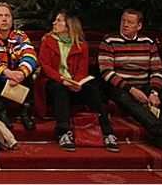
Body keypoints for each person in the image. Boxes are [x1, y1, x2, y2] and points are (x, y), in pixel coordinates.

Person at [99, 9, 162, 153]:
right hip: (121, 87)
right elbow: (106, 72)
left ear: (139, 26)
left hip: (144, 85)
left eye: (130, 22)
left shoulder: (148, 42)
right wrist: (131, 89)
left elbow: (158, 70)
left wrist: (154, 92)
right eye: (123, 21)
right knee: (126, 97)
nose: (125, 25)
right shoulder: (109, 41)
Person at [38, 11, 119, 152]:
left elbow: (82, 70)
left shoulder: (82, 45)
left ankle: (107, 132)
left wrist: (76, 83)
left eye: (58, 21)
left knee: (92, 89)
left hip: (74, 83)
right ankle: (63, 132)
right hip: (54, 82)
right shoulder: (47, 41)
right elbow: (45, 67)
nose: (54, 23)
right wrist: (63, 80)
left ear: (69, 25)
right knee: (59, 89)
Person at [0, 2, 38, 130]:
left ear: (12, 19)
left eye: (7, 16)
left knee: (29, 70)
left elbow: (30, 56)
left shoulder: (20, 36)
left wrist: (21, 73)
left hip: (16, 79)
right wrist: (6, 72)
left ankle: (25, 110)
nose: (4, 19)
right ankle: (1, 110)